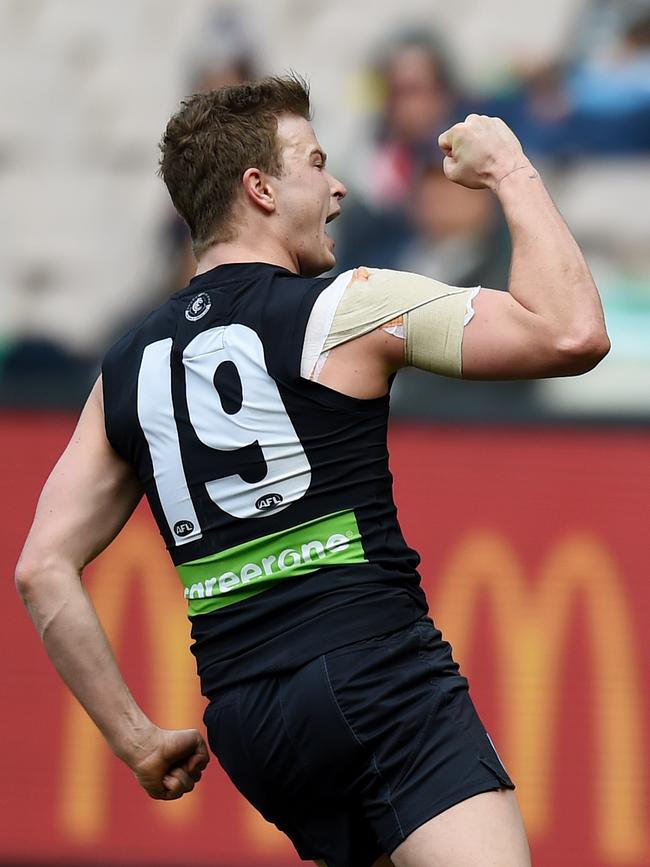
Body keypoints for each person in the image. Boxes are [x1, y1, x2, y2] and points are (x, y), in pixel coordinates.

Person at [15, 75, 609, 867]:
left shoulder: (128, 364)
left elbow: (41, 567)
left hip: (250, 726)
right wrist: (510, 169)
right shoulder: (342, 307)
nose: (338, 187)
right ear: (259, 188)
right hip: (375, 673)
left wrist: (136, 739)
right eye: (317, 163)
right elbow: (571, 334)